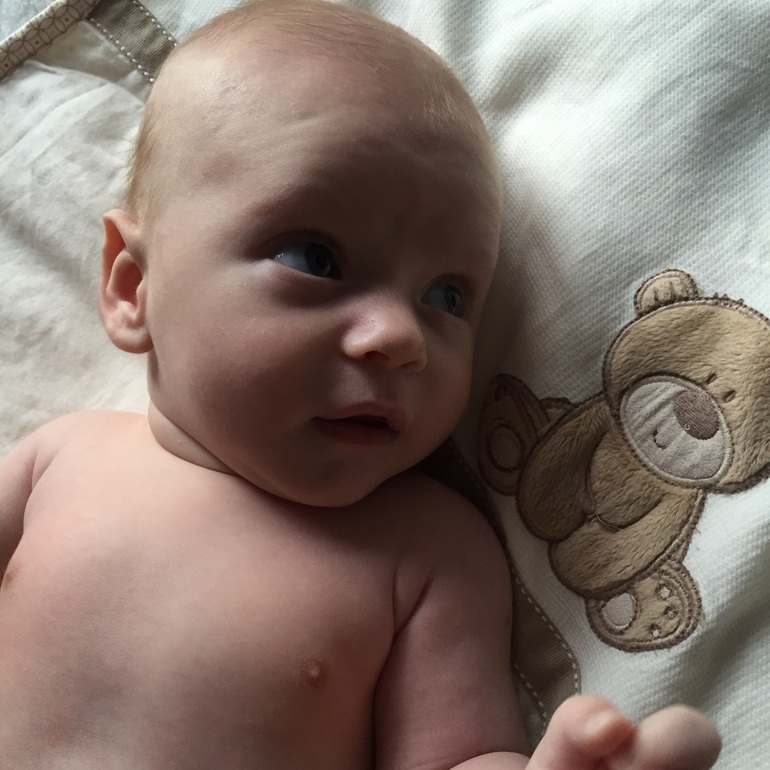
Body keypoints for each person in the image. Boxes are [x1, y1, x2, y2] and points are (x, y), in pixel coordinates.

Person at [0, 1, 721, 768]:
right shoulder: (59, 459)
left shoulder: (427, 553)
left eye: (447, 297)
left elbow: (456, 756)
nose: (400, 337)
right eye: (314, 259)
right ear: (133, 287)